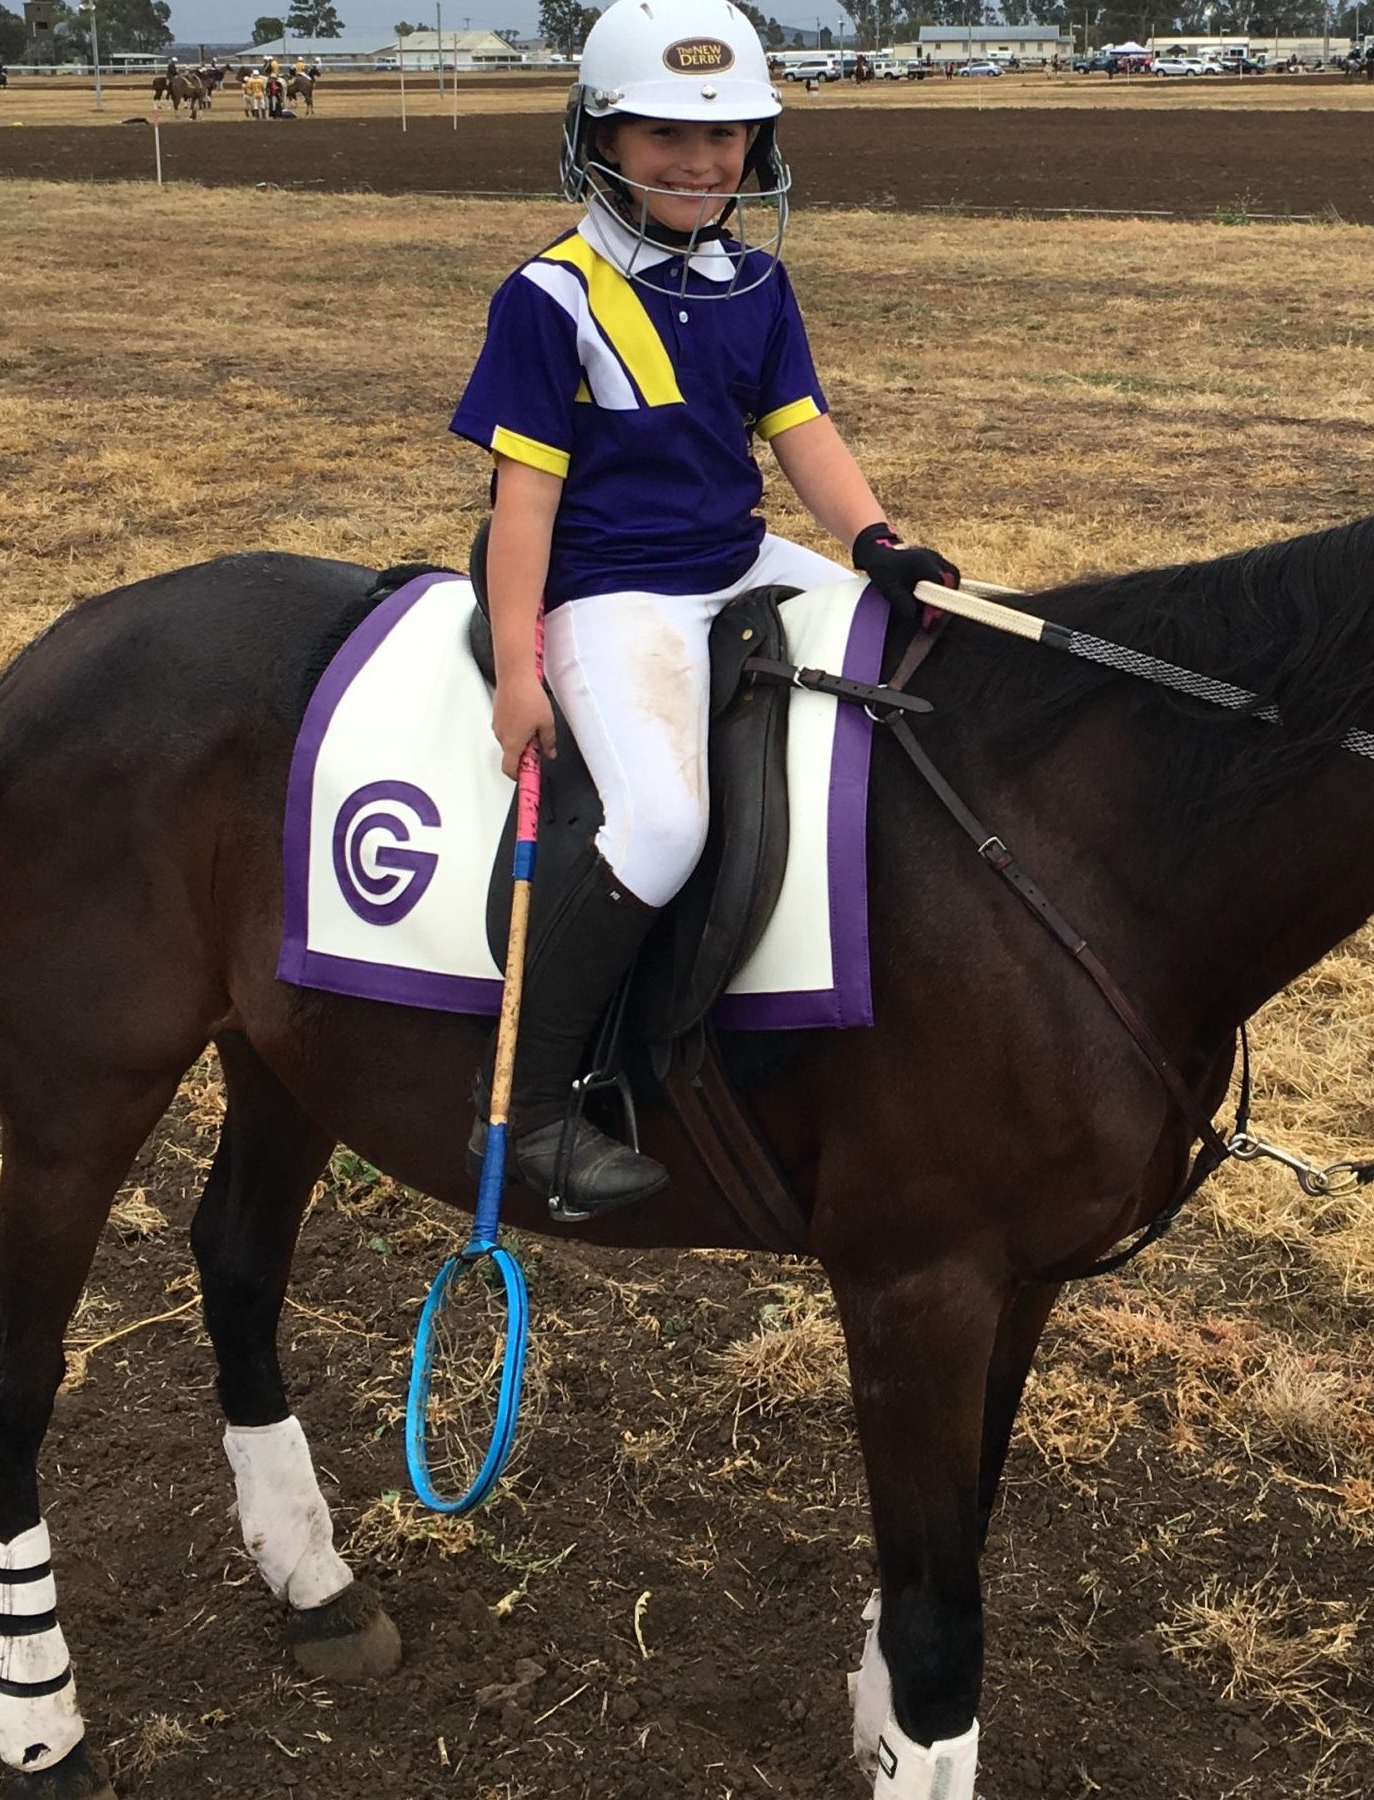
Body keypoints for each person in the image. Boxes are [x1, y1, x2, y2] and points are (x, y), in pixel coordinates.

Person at [448, 0, 958, 1215]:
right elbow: (524, 505)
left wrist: (877, 543)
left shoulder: (757, 281)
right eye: (665, 133)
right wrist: (520, 669)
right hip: (614, 590)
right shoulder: (550, 296)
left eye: (725, 135)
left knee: (931, 665)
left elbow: (802, 432)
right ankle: (528, 1107)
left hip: (738, 561)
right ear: (599, 138)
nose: (699, 161)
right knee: (663, 825)